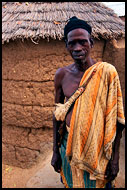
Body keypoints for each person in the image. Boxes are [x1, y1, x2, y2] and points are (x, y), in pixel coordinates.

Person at [51, 16, 125, 188]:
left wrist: (115, 160)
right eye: (72, 43)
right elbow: (57, 115)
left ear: (91, 43)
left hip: (98, 150)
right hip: (68, 146)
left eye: (82, 42)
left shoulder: (107, 73)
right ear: (66, 45)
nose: (77, 48)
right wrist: (55, 152)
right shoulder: (61, 75)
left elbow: (117, 120)